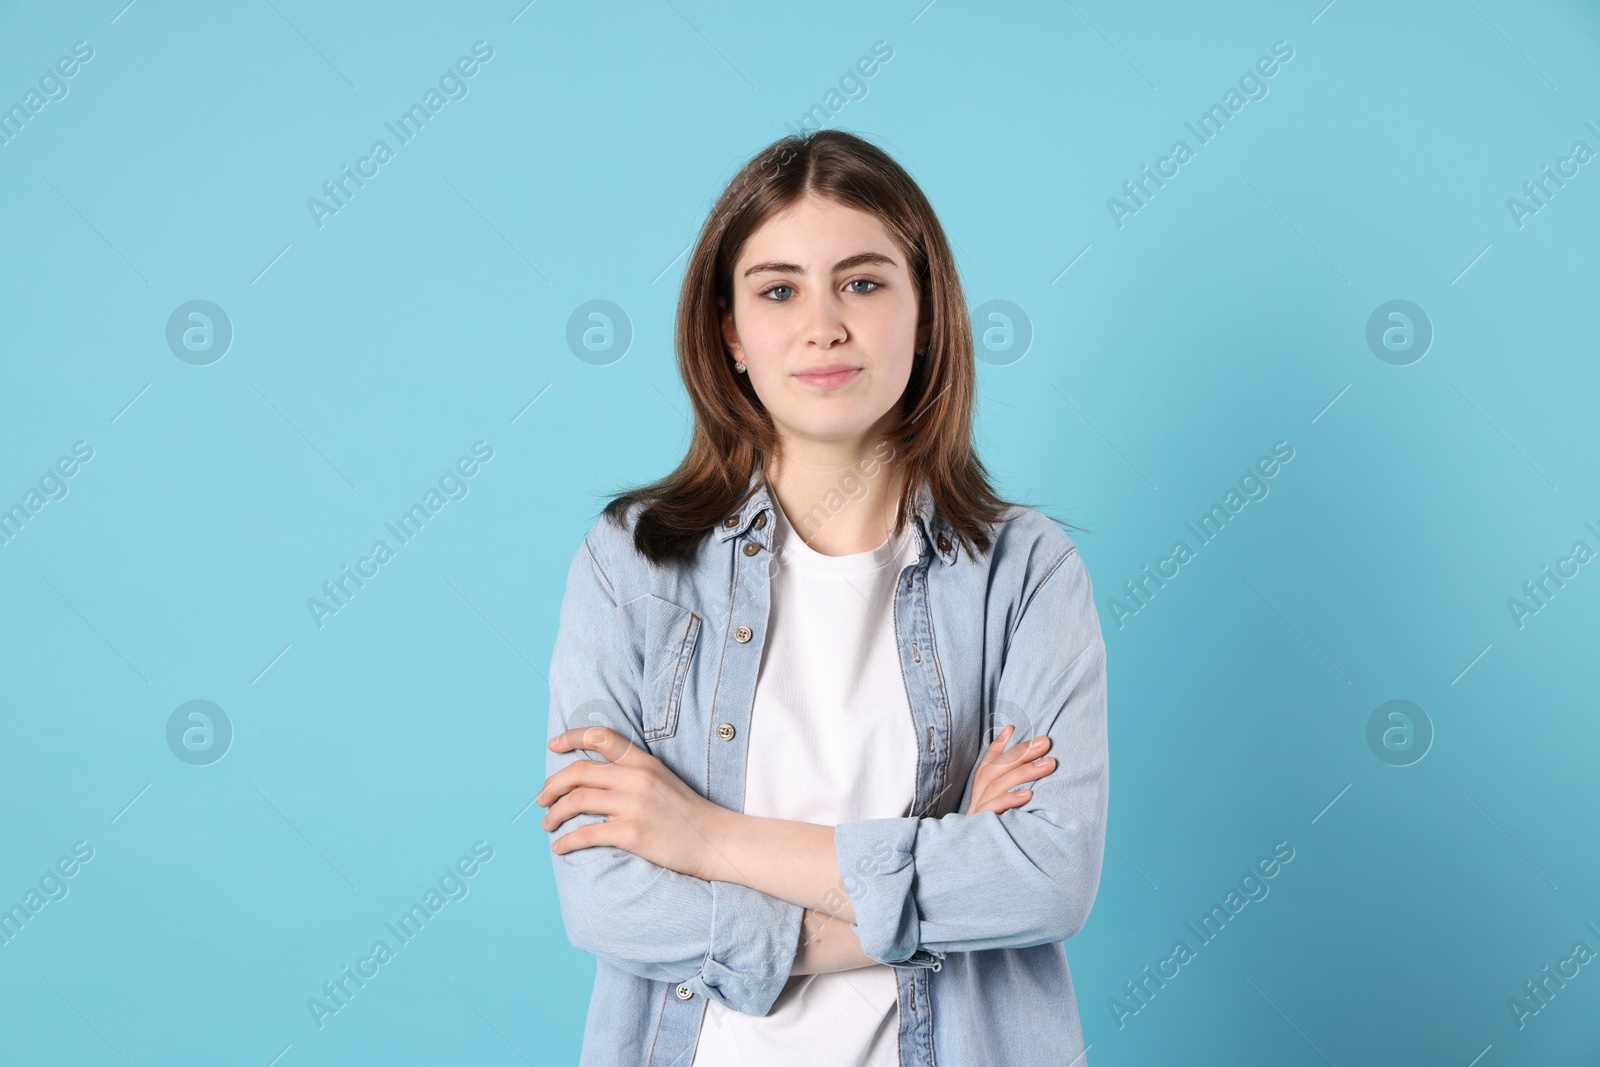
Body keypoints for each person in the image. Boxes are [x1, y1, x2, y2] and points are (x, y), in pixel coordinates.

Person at [536, 128, 1108, 1066]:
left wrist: (706, 837)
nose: (824, 324)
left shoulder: (1026, 571)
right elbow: (604, 897)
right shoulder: (630, 565)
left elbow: (1046, 881)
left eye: (864, 282)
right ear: (731, 332)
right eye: (777, 289)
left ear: (925, 312)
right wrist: (948, 854)